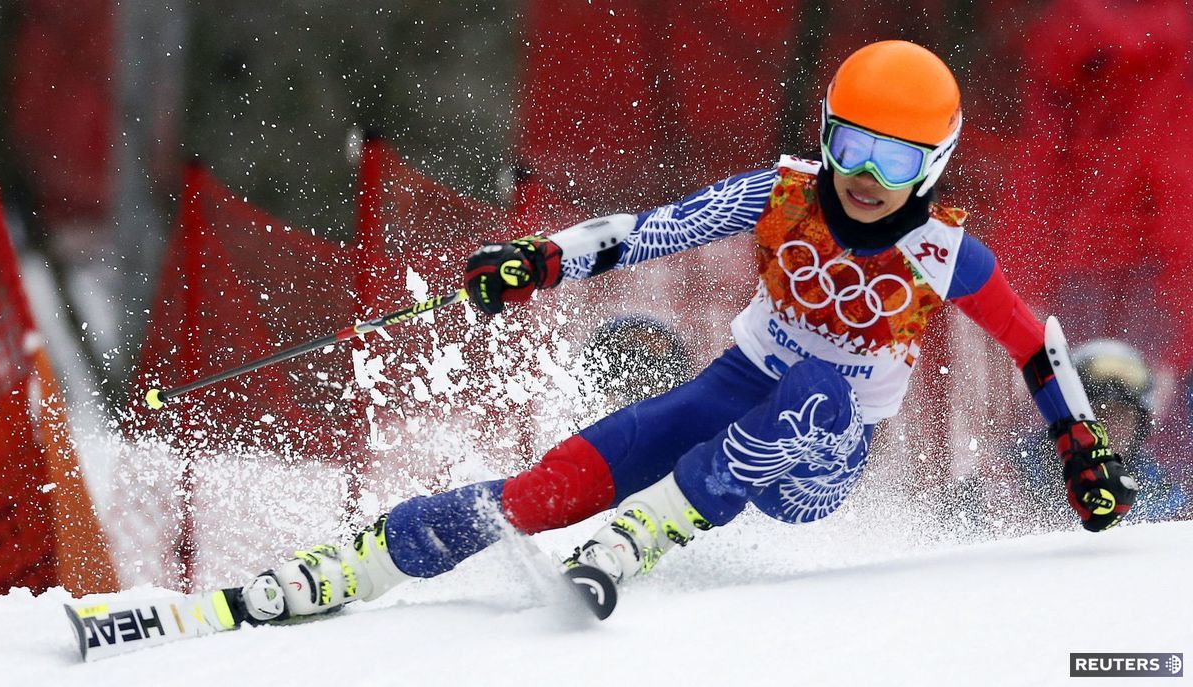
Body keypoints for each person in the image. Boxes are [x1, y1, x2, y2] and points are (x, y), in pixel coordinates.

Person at [208, 40, 1140, 626]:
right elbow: (650, 231)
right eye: (851, 145)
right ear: (826, 132)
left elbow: (1034, 343)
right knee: (548, 487)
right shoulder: (781, 193)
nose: (864, 175)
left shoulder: (945, 254)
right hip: (732, 389)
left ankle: (642, 535)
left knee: (819, 389)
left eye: (893, 160)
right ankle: (352, 565)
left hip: (823, 454)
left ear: (933, 163)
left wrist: (1081, 447)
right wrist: (540, 259)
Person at [1002, 340, 1187, 528]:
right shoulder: (1013, 472)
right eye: (1100, 414)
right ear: (1071, 420)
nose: (1111, 427)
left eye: (1122, 415)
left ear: (1140, 426)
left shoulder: (1160, 492)